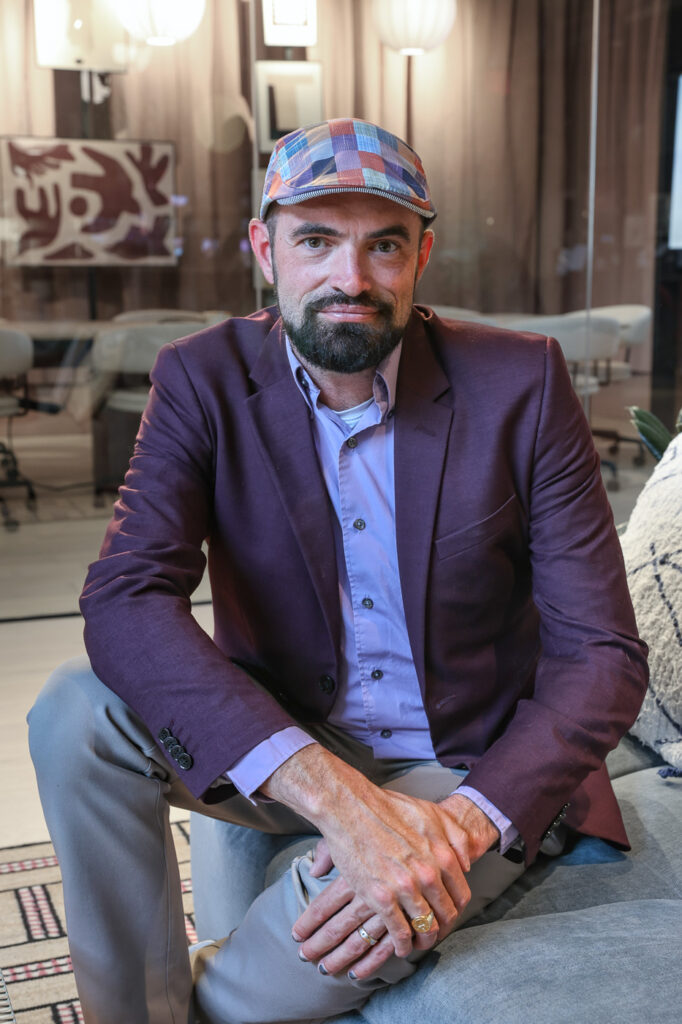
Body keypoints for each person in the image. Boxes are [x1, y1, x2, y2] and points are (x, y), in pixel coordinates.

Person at [28, 118, 648, 1024]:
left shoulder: (523, 383)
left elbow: (602, 655)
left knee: (338, 935)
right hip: (292, 736)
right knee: (74, 712)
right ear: (265, 250)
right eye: (316, 241)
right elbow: (125, 597)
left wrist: (457, 828)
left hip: (463, 758)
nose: (350, 279)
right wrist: (335, 798)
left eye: (383, 246)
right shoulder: (200, 378)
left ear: (420, 255)